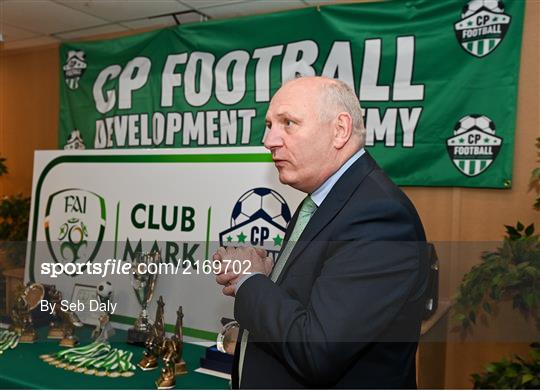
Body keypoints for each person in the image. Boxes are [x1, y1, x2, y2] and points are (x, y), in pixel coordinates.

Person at [214, 76, 428, 389]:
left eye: (288, 123)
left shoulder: (380, 217)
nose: (268, 140)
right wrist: (275, 277)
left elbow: (317, 350)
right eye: (269, 124)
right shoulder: (323, 199)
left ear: (340, 130)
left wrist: (251, 282)